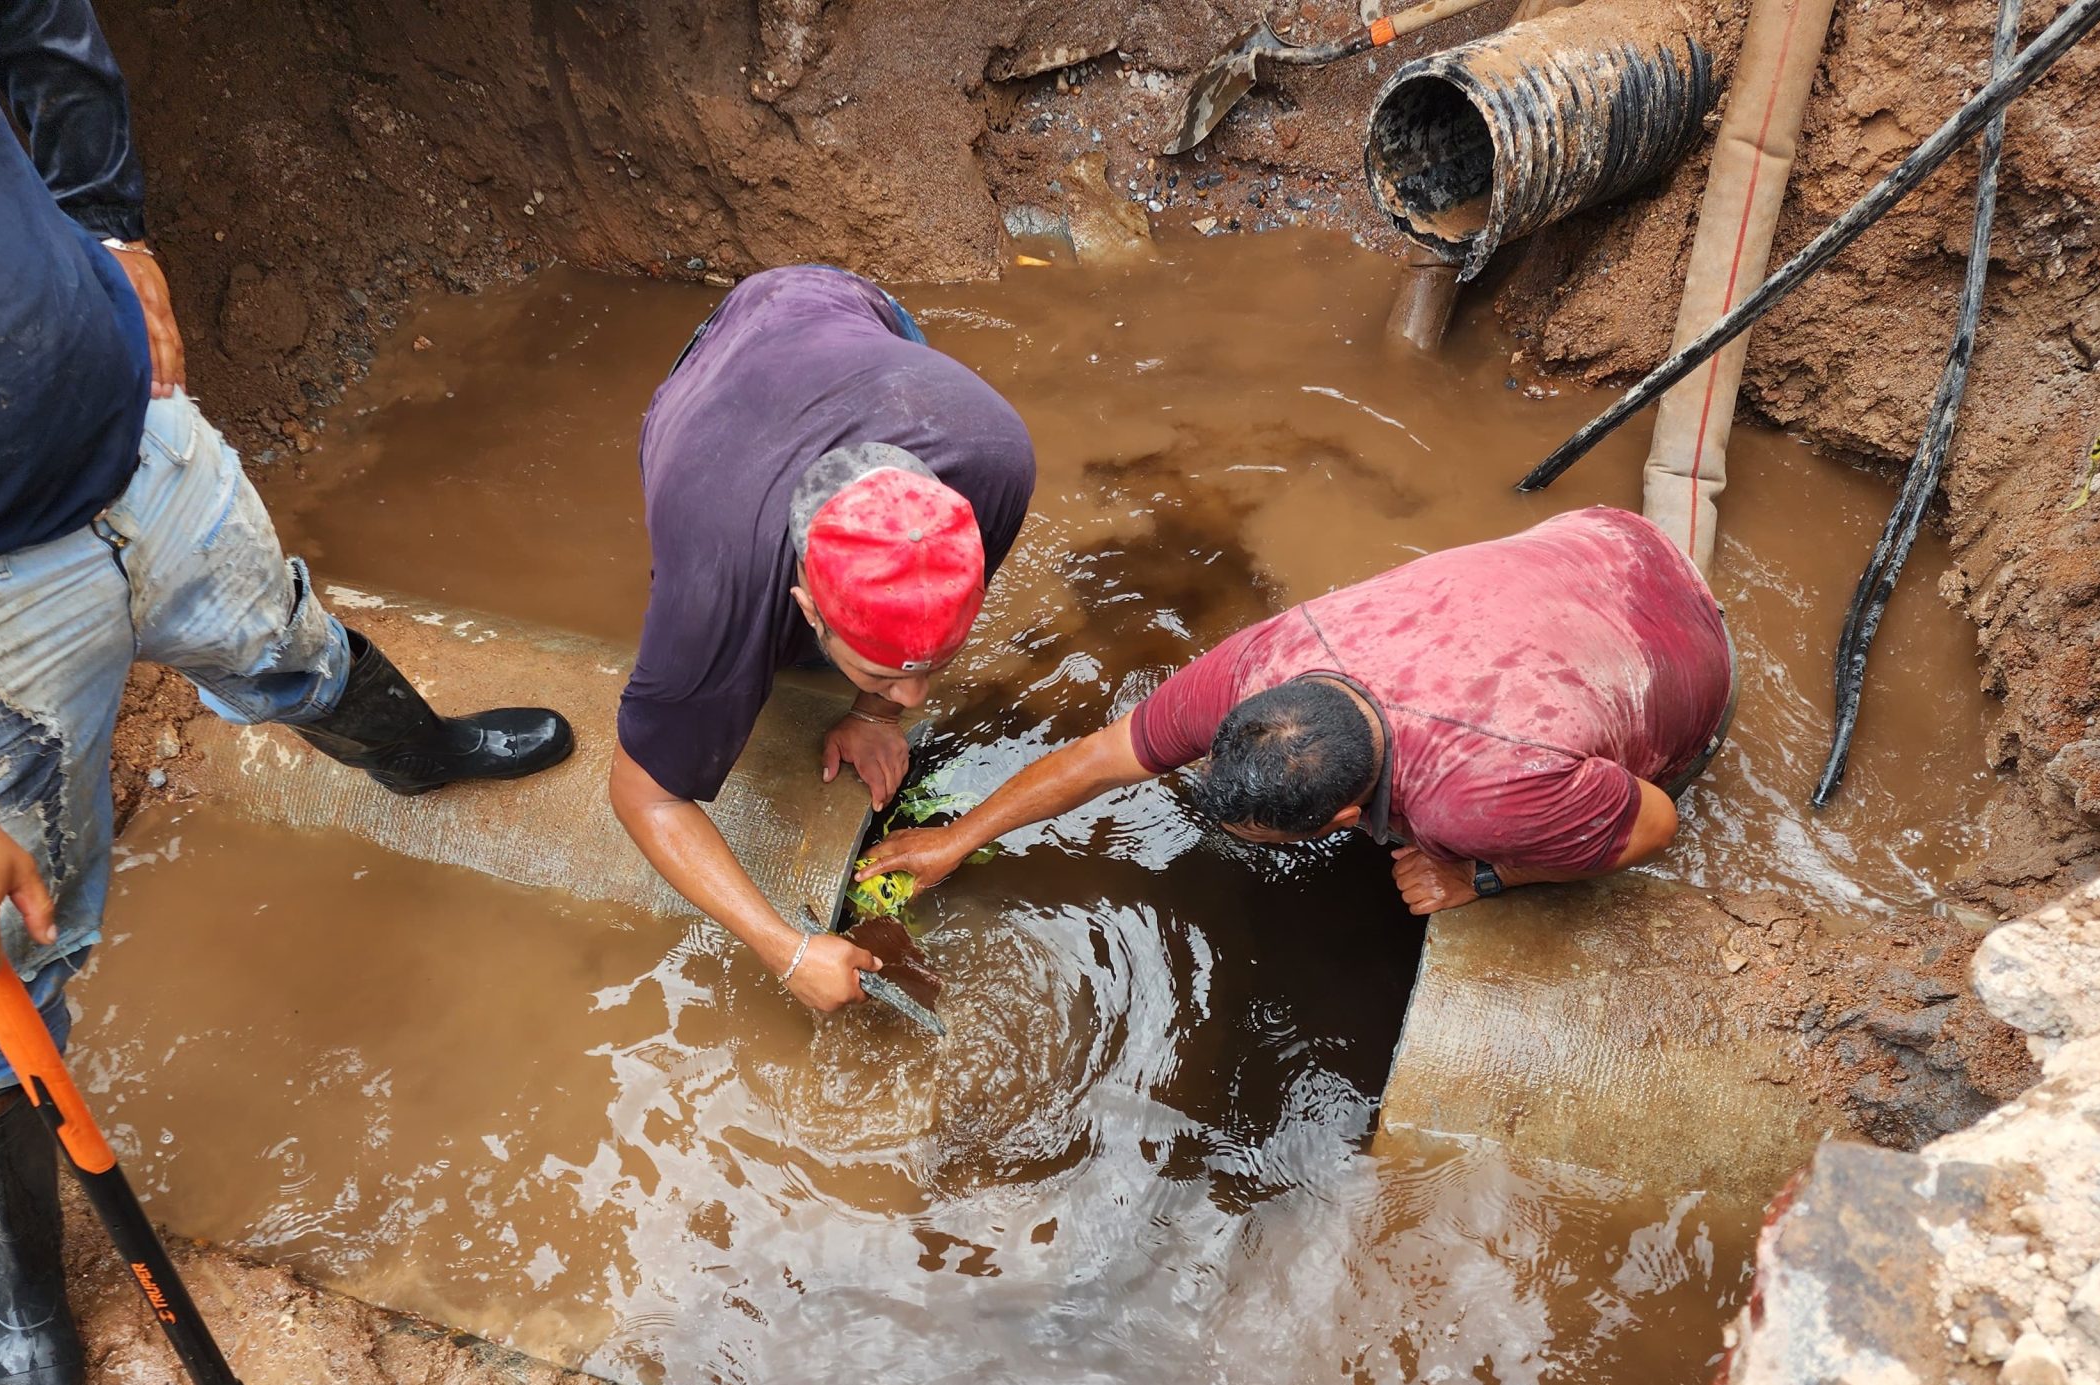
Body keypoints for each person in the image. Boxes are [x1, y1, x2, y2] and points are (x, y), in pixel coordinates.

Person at [0, 0, 574, 1385]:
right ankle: (18, 1274)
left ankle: (414, 756)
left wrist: (107, 216)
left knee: (285, 638)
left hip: (141, 442)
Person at [859, 505, 1735, 917]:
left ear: (1346, 820)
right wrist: (956, 838)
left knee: (1456, 849)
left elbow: (1656, 824)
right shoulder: (1263, 665)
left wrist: (1483, 878)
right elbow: (1098, 758)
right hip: (1601, 538)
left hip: (1694, 660)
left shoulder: (1474, 800)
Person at [611, 265, 1035, 1012]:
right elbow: (643, 797)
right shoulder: (717, 582)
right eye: (885, 675)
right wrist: (788, 949)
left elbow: (921, 629)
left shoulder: (994, 461)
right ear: (807, 605)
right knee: (743, 661)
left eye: (931, 667)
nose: (916, 696)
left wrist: (875, 712)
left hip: (835, 305)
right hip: (730, 360)